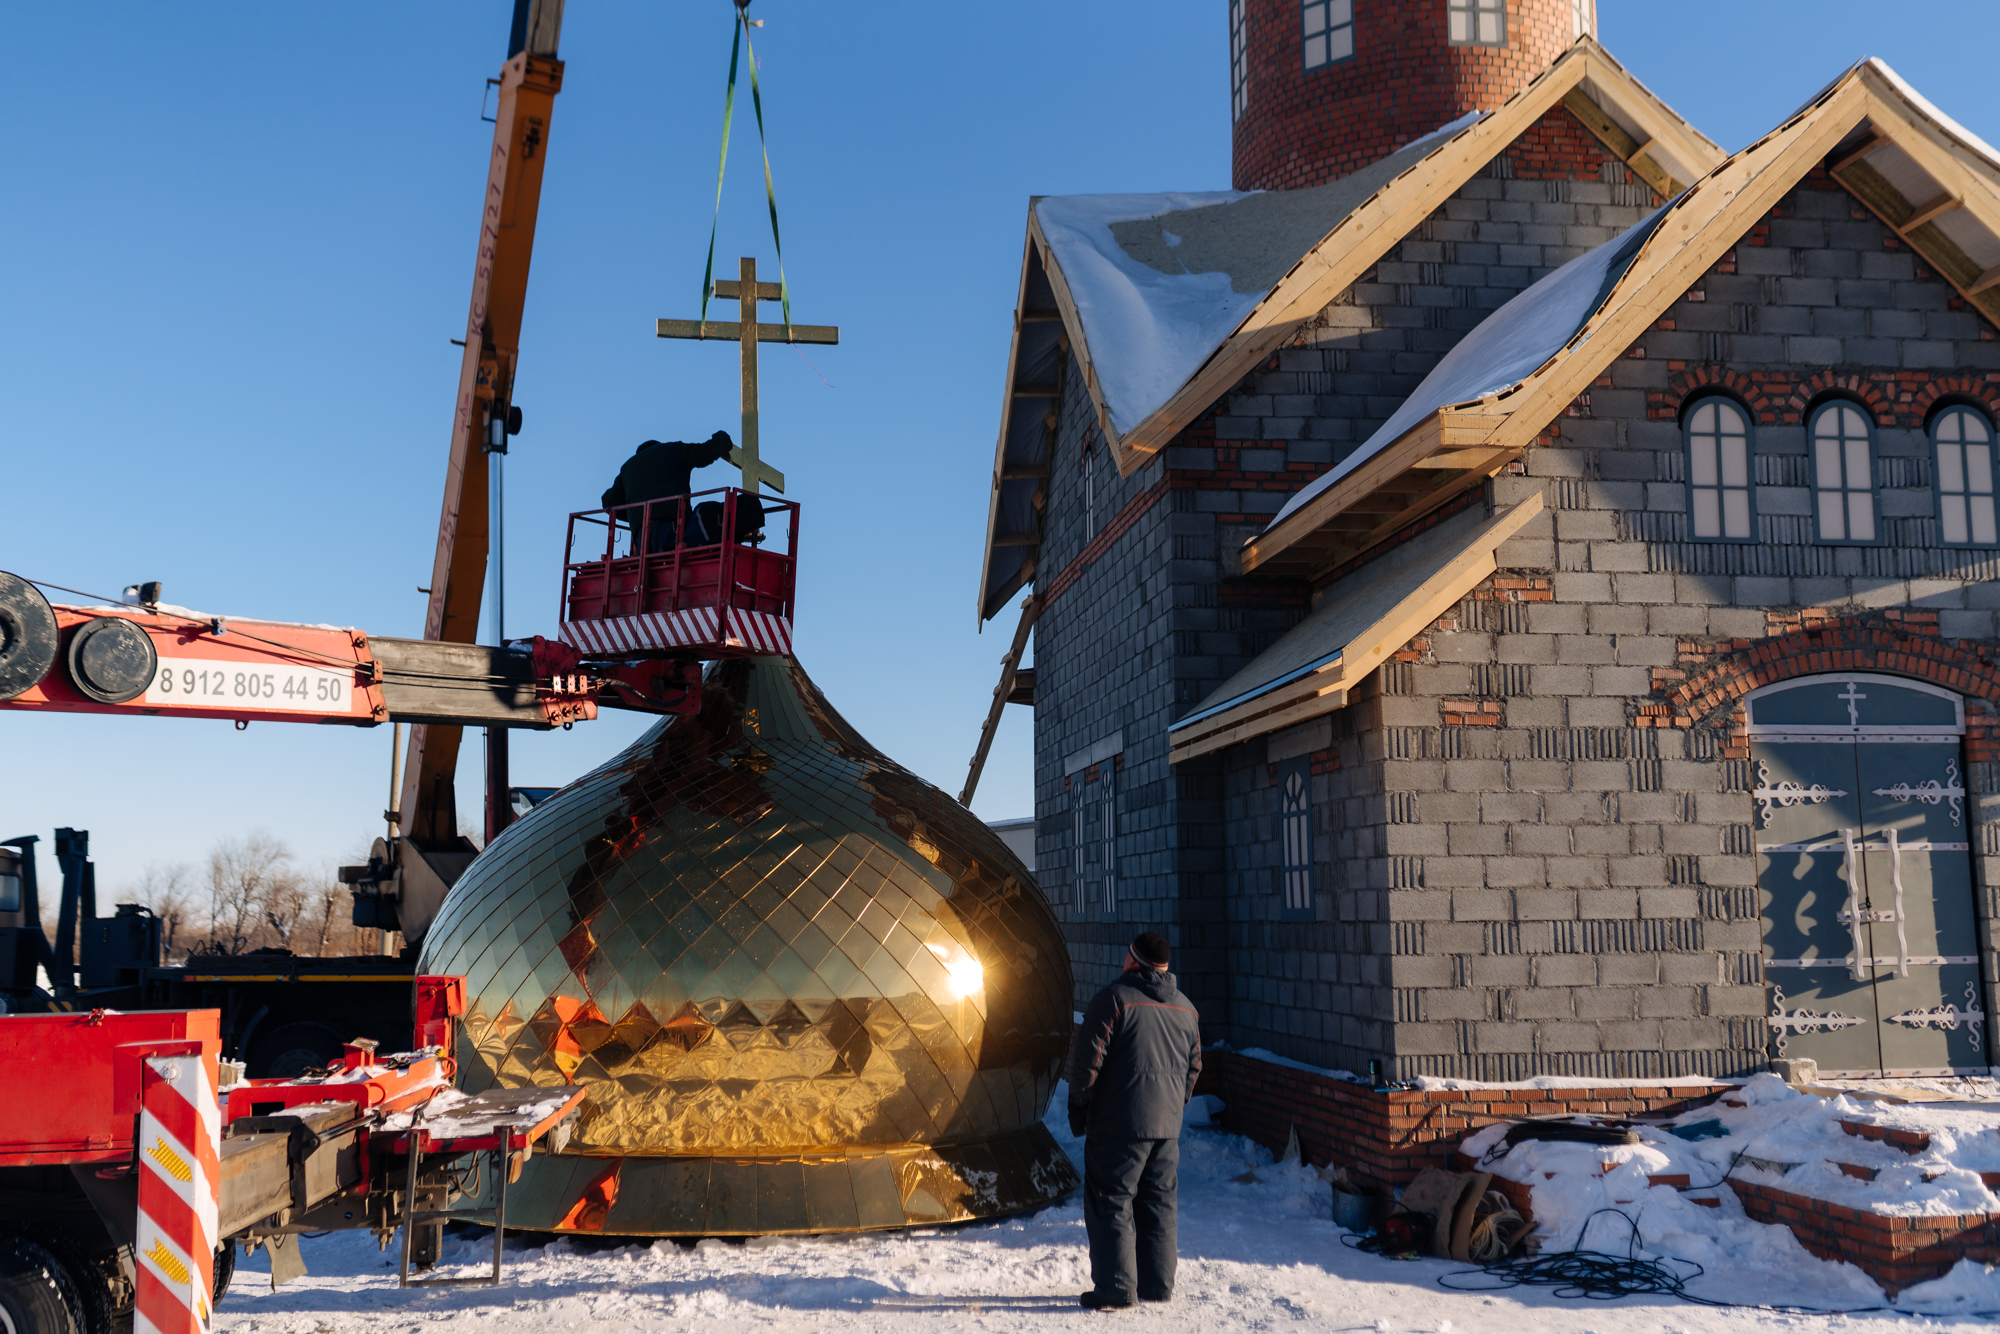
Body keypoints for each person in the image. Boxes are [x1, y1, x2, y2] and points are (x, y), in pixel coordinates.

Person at [1066, 931, 1202, 1311]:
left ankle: (1115, 1290)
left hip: (1118, 1125)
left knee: (1111, 1200)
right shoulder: (1187, 1010)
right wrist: (1174, 1105)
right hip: (1166, 1128)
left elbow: (1087, 1061)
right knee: (1159, 1203)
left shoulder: (1114, 1000)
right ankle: (1157, 1286)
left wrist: (1079, 1105)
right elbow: (1194, 1067)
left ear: (1132, 961)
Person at [601, 431, 735, 550]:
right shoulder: (672, 450)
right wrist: (722, 439)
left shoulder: (627, 468)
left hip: (640, 533)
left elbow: (608, 502)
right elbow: (705, 452)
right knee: (672, 556)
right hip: (669, 522)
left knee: (654, 566)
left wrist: (634, 514)